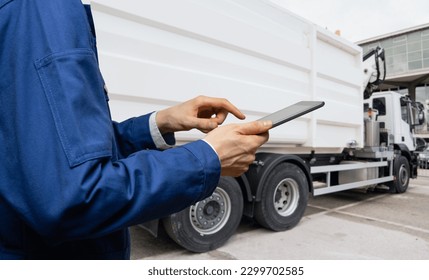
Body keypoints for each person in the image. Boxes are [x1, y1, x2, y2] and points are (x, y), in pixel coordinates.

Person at [0, 0, 271, 259]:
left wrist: (158, 123)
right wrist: (207, 158)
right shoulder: (42, 9)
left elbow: (51, 152)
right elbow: (74, 198)